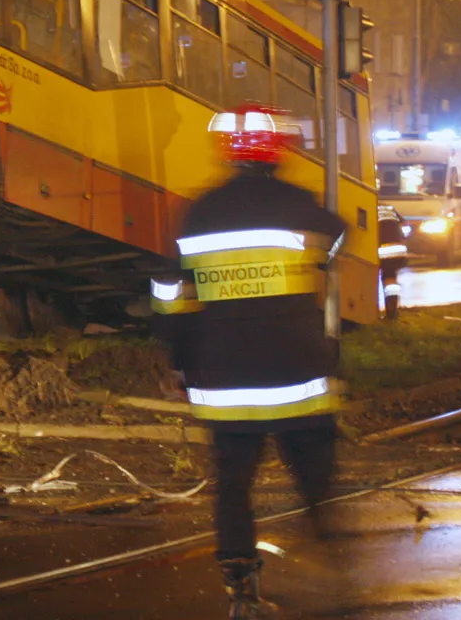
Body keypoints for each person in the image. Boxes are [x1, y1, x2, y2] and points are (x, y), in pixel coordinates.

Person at [153, 103, 345, 618]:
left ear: (227, 153)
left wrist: (178, 361)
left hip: (225, 378)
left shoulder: (200, 213)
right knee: (314, 468)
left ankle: (241, 585)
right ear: (279, 150)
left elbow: (173, 293)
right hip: (295, 373)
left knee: (233, 483)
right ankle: (333, 553)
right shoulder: (301, 207)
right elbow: (338, 236)